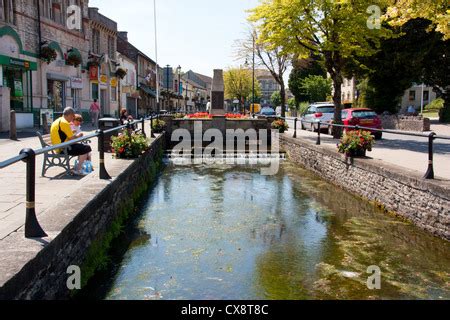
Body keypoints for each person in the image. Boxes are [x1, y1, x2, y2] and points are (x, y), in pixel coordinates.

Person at [51, 107, 92, 176]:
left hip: (59, 146)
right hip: (62, 148)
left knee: (83, 147)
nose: (73, 118)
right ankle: (78, 169)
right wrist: (79, 135)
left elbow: (63, 134)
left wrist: (72, 132)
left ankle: (79, 167)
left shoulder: (58, 120)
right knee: (86, 148)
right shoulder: (65, 123)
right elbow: (72, 138)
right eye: (73, 116)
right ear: (69, 115)